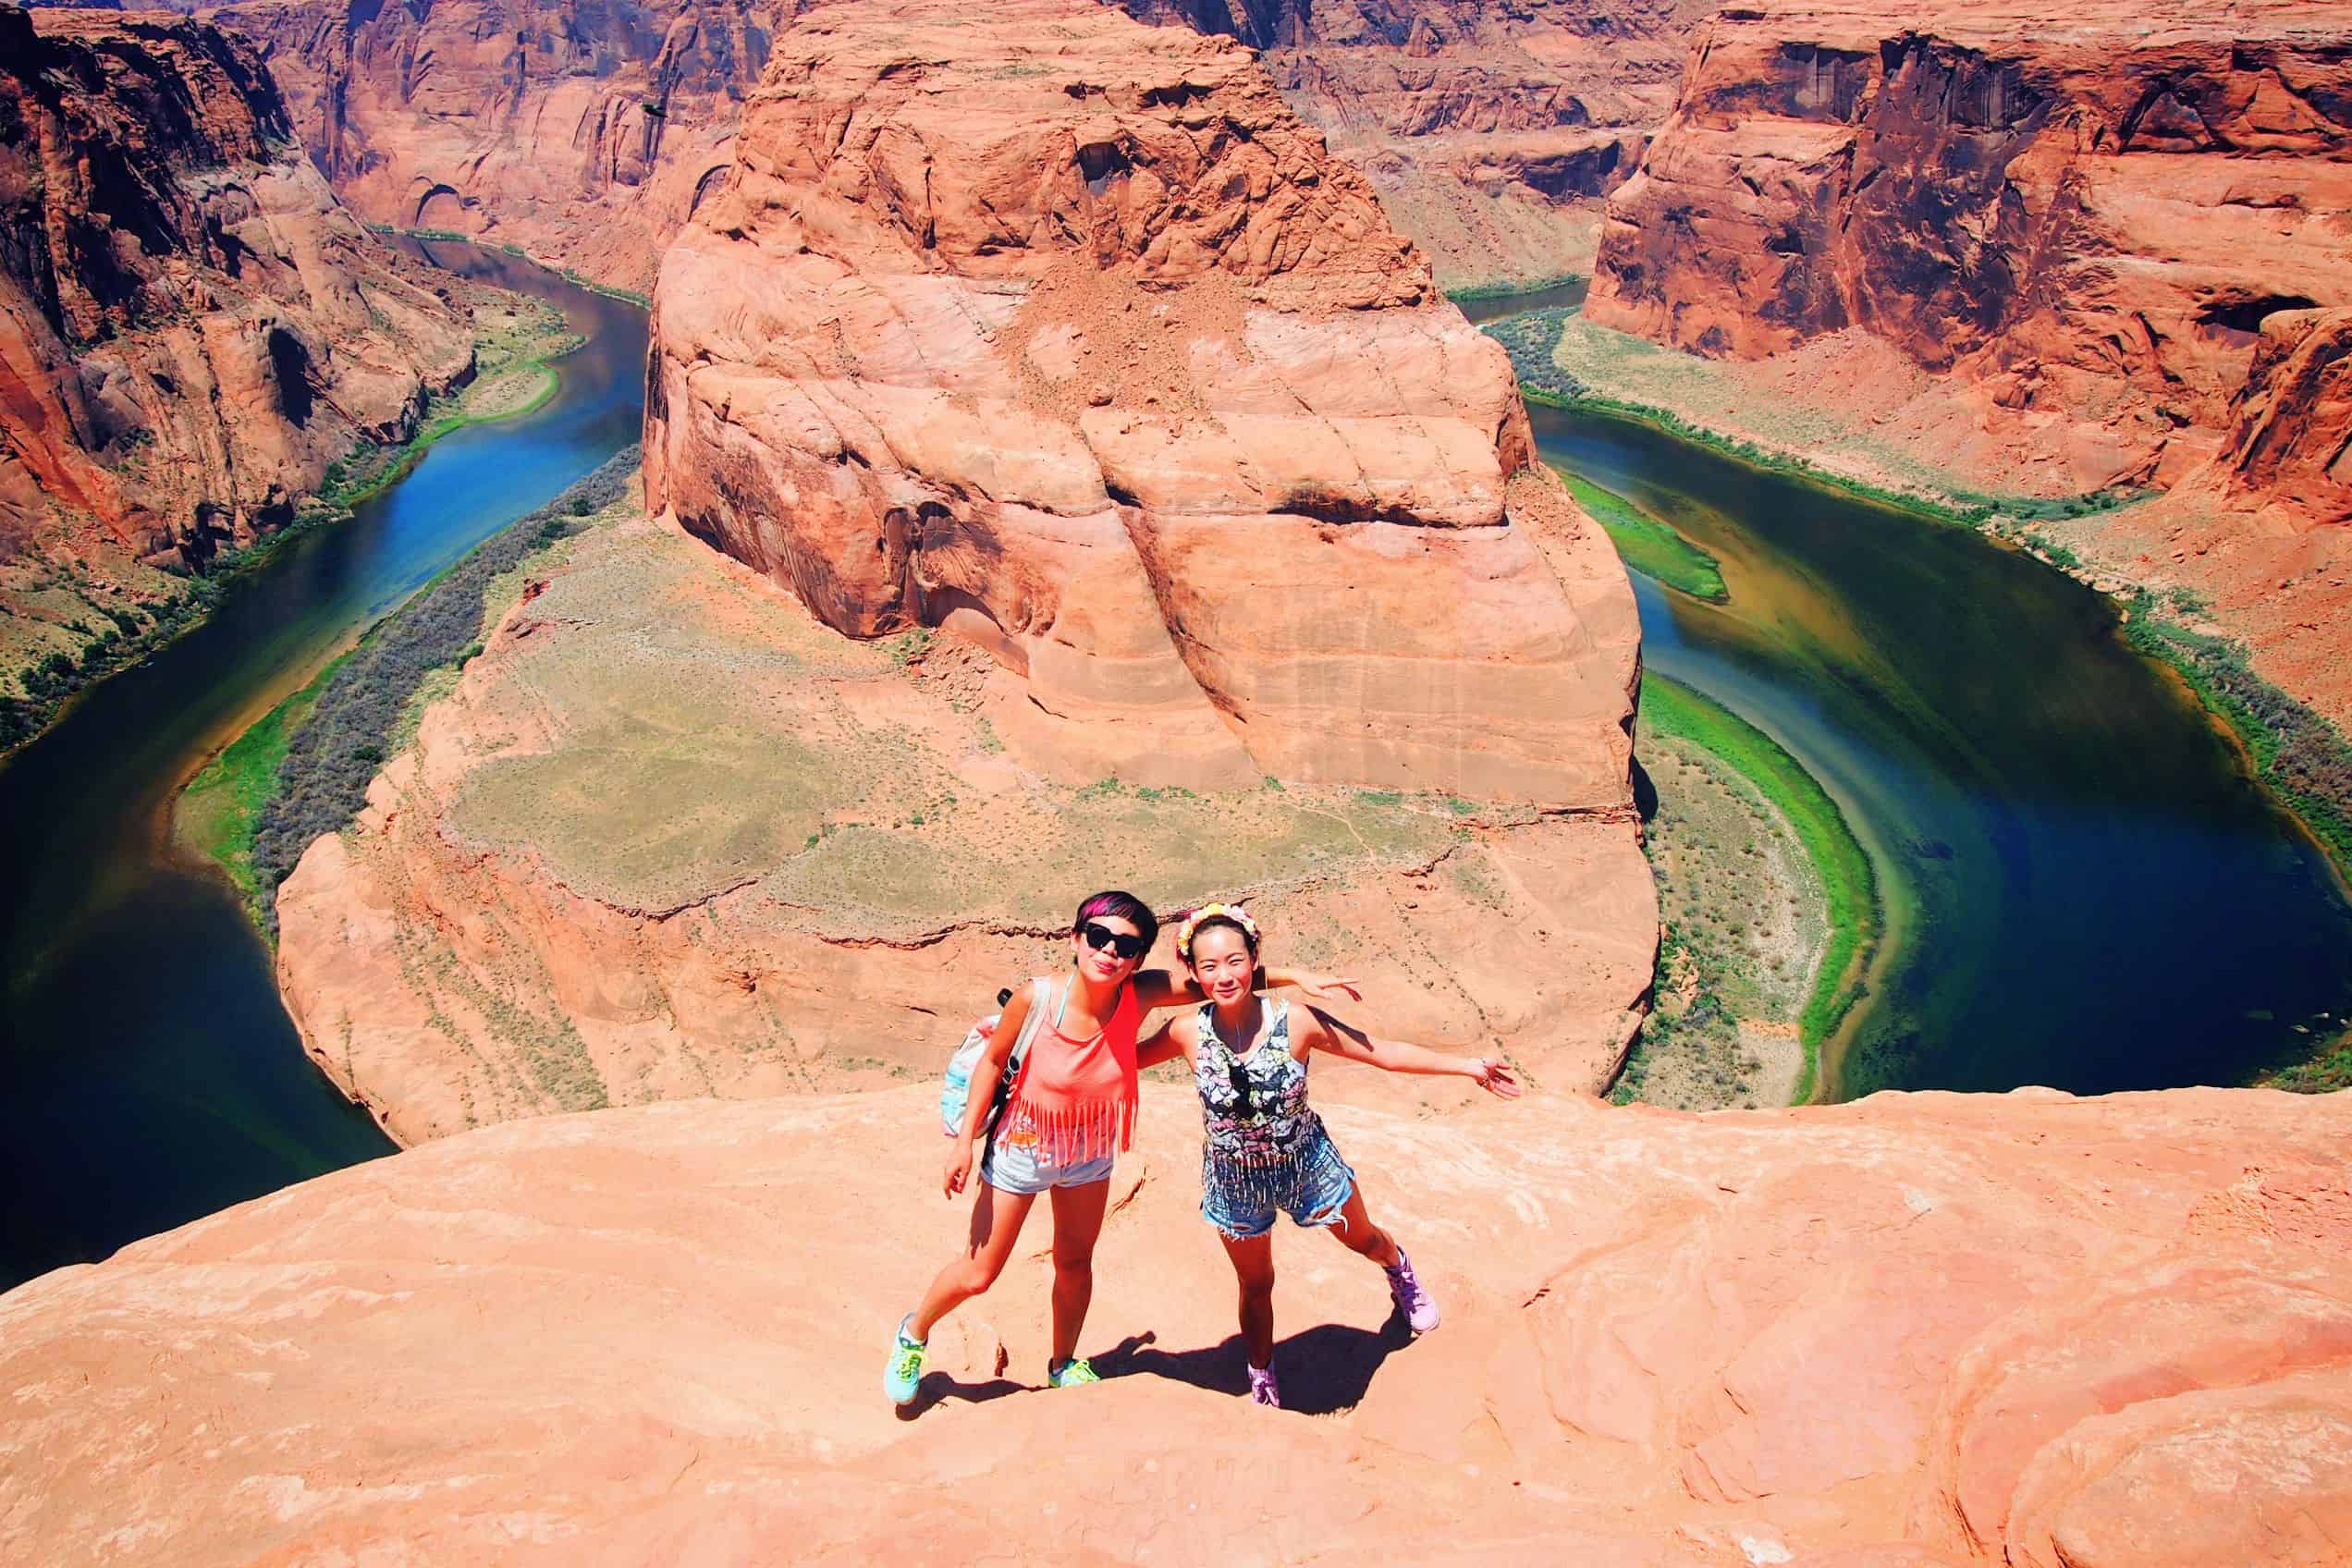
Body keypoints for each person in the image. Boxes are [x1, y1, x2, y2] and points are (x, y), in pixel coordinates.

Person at [884, 890, 1357, 1405]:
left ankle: (1063, 1362)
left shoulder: (1138, 994)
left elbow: (1218, 980)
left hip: (1089, 1150)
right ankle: (914, 1333)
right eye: (1099, 936)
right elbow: (994, 1063)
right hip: (1023, 1145)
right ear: (1076, 937)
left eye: (1127, 946)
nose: (1110, 951)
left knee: (1074, 1262)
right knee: (979, 1273)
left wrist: (1294, 977)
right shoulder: (1037, 997)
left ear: (1138, 958)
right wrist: (962, 1147)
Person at [1135, 901, 1520, 1408]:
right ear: (1193, 974)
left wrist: (1468, 1066)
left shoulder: (1295, 1021)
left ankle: (1399, 1271)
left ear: (1254, 959)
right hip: (1234, 1178)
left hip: (1306, 1164)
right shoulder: (1187, 1031)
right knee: (1255, 1284)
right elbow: (1119, 1058)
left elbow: (1379, 1051)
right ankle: (1262, 1376)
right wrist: (1023, 1041)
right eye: (1208, 966)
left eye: (1234, 960)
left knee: (1364, 1240)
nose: (1224, 976)